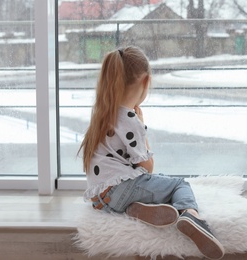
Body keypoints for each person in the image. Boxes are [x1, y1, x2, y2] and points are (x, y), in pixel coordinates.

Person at [78, 46, 224, 259]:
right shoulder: (129, 119)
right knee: (179, 184)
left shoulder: (102, 113)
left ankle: (134, 209)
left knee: (152, 183)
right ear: (146, 81)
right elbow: (146, 166)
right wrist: (142, 126)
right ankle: (190, 216)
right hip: (122, 188)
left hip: (101, 199)